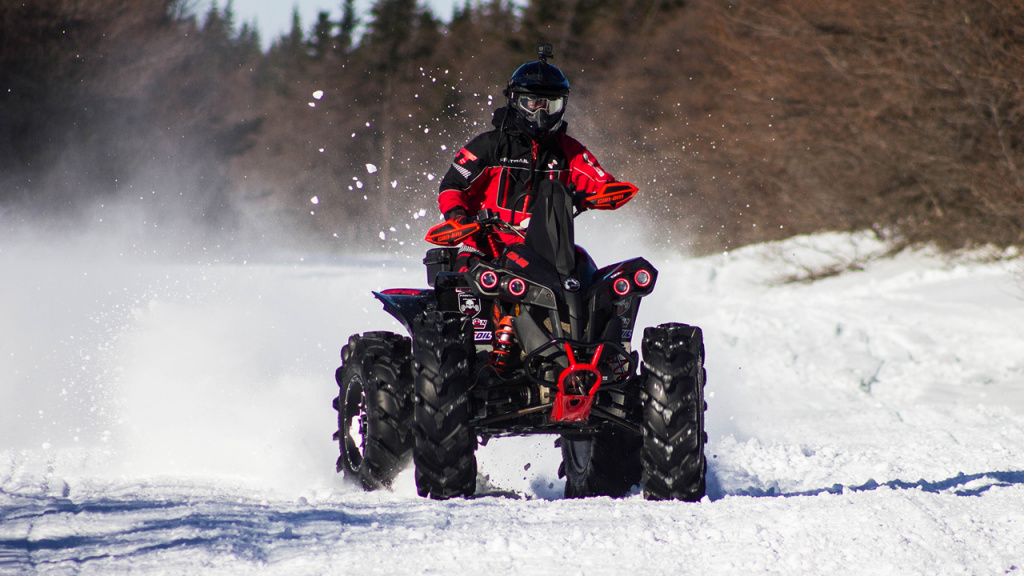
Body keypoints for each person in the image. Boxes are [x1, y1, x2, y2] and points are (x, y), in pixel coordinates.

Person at [432, 43, 634, 271]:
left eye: (550, 106)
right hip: (486, 248)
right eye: (533, 104)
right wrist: (459, 218)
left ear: (562, 106)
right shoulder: (488, 145)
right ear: (516, 101)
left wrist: (599, 195)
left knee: (584, 274)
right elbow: (453, 185)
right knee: (465, 287)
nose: (541, 113)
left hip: (547, 252)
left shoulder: (570, 151)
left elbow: (601, 182)